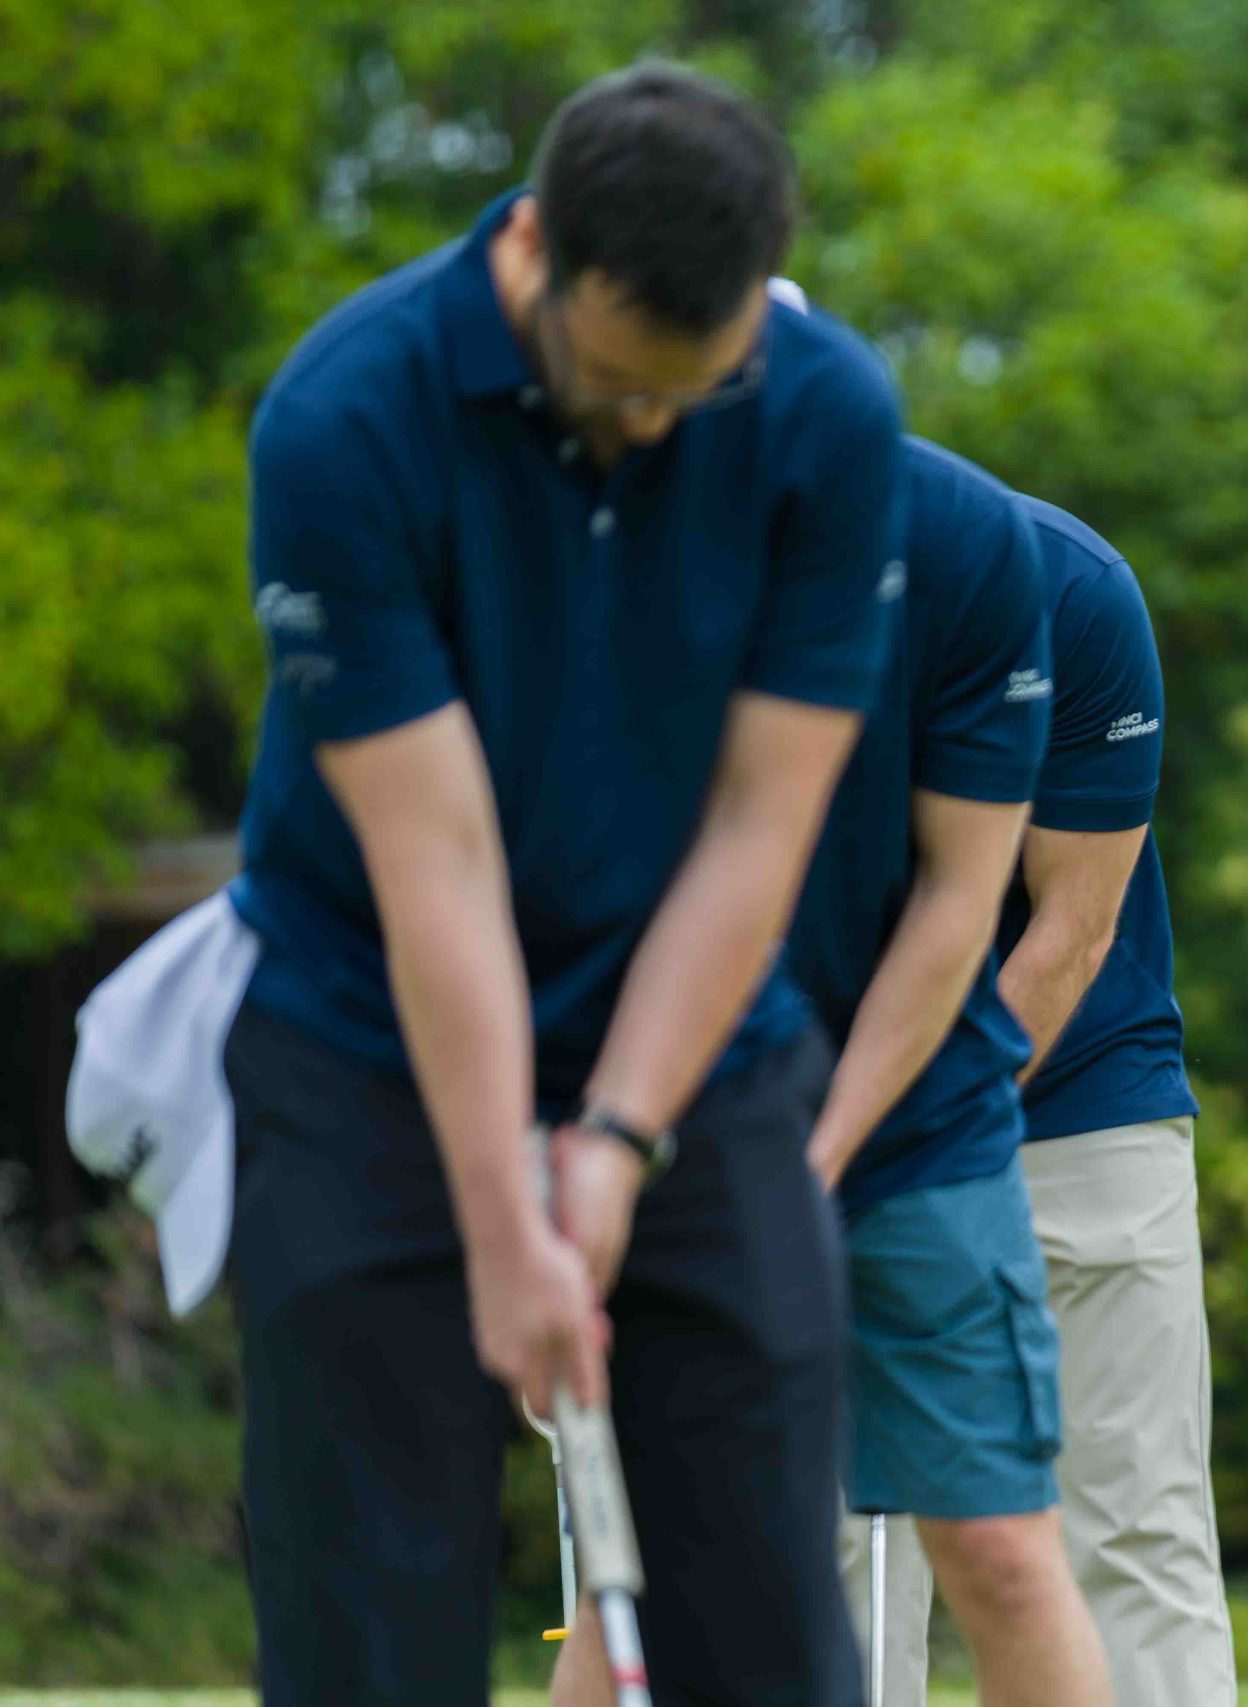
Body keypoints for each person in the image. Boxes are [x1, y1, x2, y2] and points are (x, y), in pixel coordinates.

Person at [225, 63, 898, 1705]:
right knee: (368, 1637)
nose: (652, 425)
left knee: (770, 1635)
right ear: (534, 245)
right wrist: (500, 1216)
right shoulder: (345, 416)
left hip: (698, 1054)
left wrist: (613, 1139)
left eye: (694, 392)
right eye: (615, 382)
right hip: (368, 1054)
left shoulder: (824, 413)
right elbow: (436, 862)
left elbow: (760, 826)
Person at [790, 437, 1114, 1707]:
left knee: (1006, 1551)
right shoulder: (611, 549)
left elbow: (970, 908)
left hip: (931, 1128)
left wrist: (814, 1162)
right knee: (663, 1562)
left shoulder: (980, 548)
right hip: (690, 1124)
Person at [1002, 494, 1234, 1707]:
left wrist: (902, 1134)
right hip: (810, 1111)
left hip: (1085, 1092)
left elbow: (1075, 923)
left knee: (1136, 1519)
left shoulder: (1064, 582)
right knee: (840, 1529)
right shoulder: (688, 561)